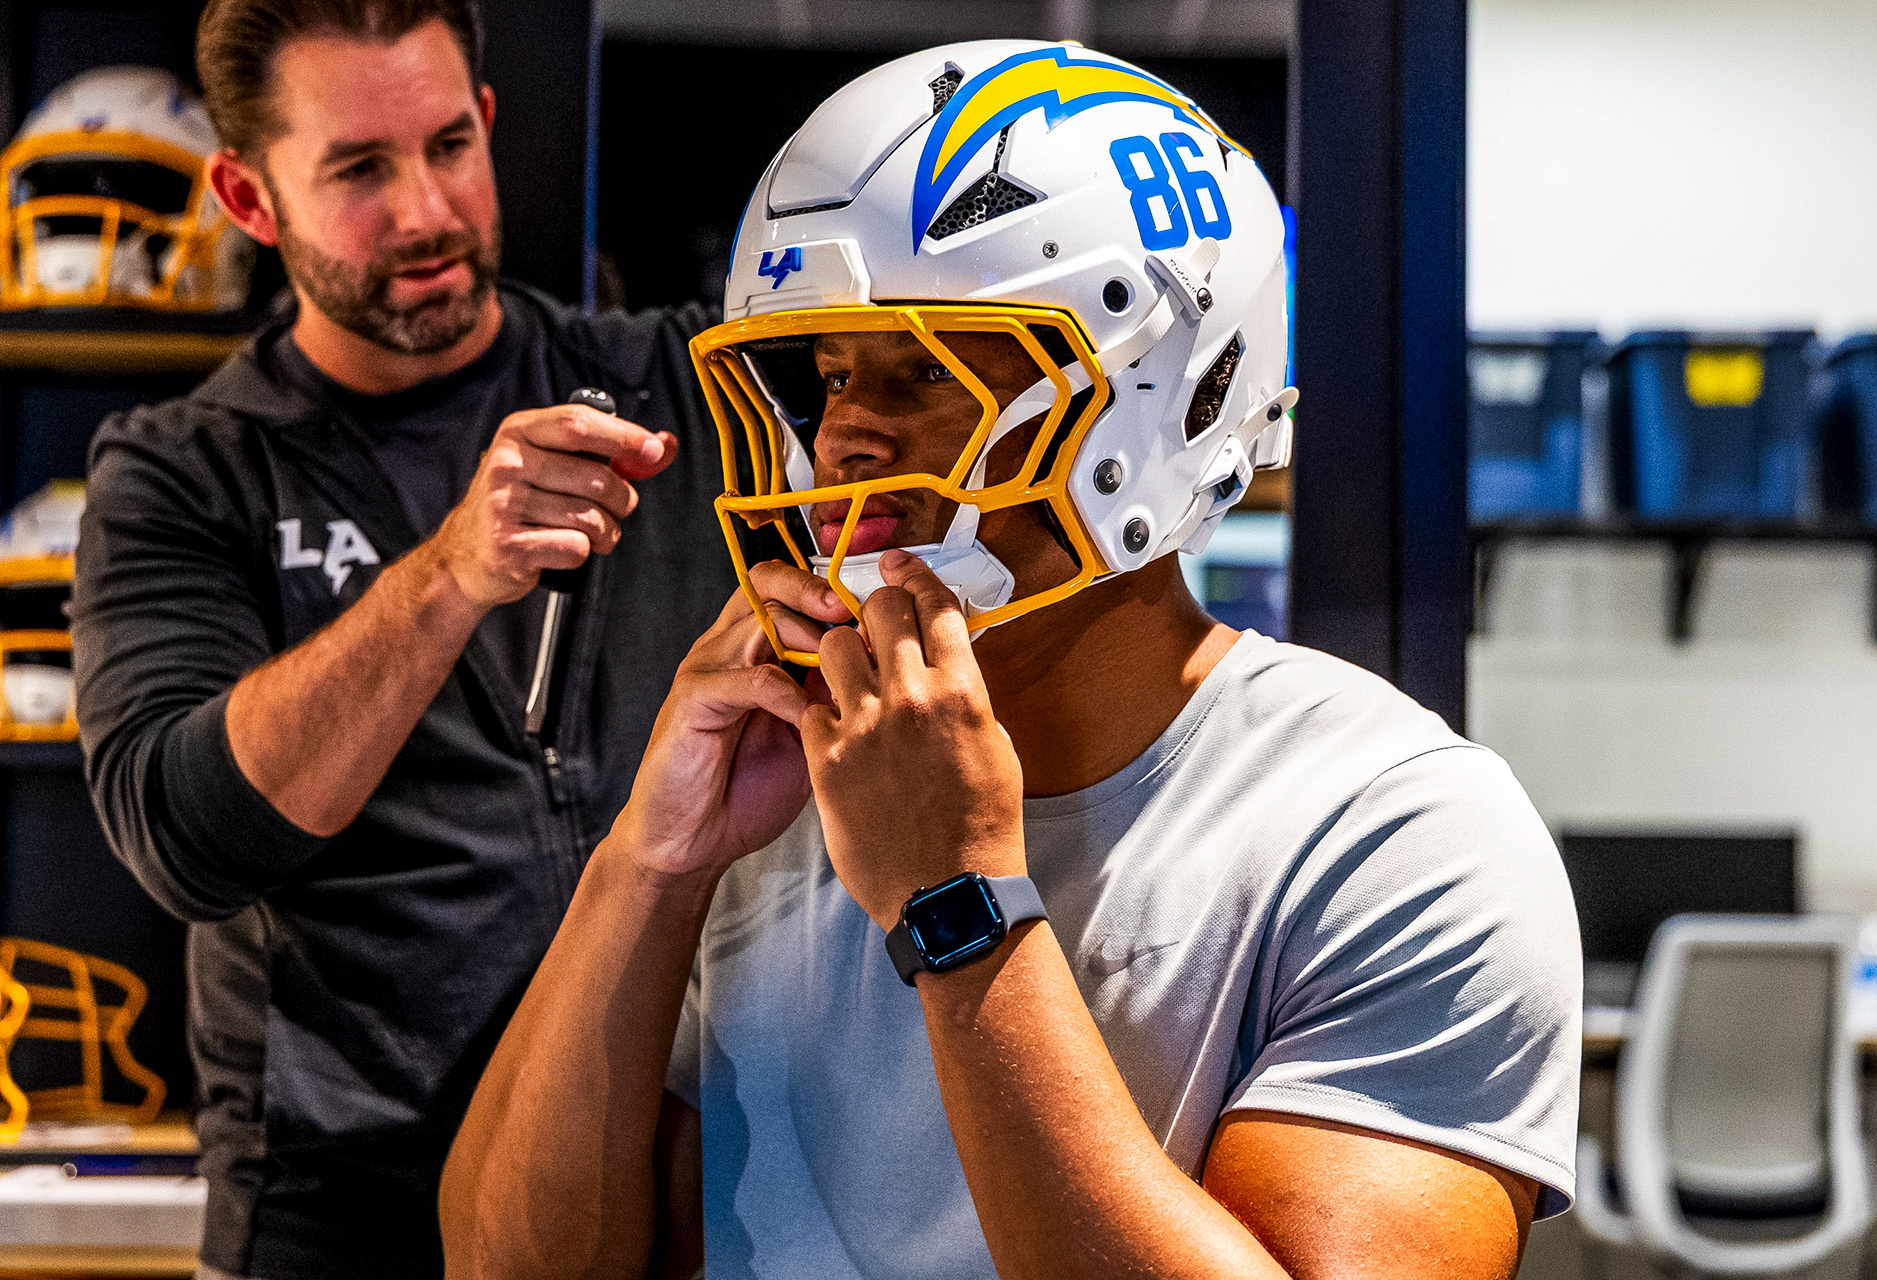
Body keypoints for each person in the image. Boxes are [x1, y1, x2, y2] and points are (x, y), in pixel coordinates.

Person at [440, 39, 1582, 1280]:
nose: (840, 438)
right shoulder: (780, 791)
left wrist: (957, 901)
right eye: (828, 376)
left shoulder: (1393, 825)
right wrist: (649, 863)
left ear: (1158, 397)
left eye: (923, 370)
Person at [69, 2, 748, 1276]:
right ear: (248, 196)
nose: (428, 211)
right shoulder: (183, 472)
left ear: (487, 122)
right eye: (359, 170)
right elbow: (186, 837)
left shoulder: (673, 384)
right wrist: (446, 575)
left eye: (447, 146)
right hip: (339, 1225)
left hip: (665, 1206)